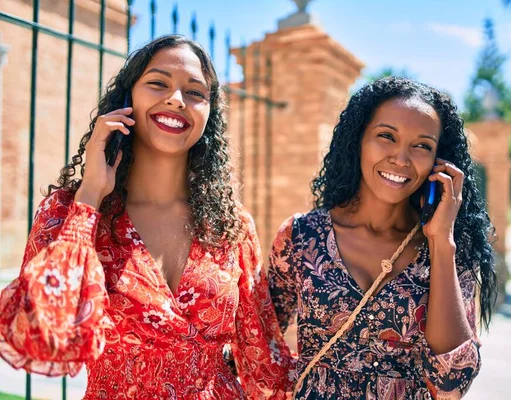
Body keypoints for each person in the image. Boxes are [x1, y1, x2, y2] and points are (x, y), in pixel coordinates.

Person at [0, 34, 293, 399]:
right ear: (127, 101)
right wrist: (90, 196)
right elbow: (41, 324)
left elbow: (262, 357)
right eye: (158, 83)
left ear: (208, 115)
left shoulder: (230, 226)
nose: (176, 99)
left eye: (195, 93)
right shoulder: (69, 210)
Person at [268, 77, 497, 399]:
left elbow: (451, 384)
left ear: (439, 163)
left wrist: (441, 242)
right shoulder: (302, 236)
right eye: (386, 137)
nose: (401, 159)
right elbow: (257, 342)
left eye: (422, 146)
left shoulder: (449, 250)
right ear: (358, 140)